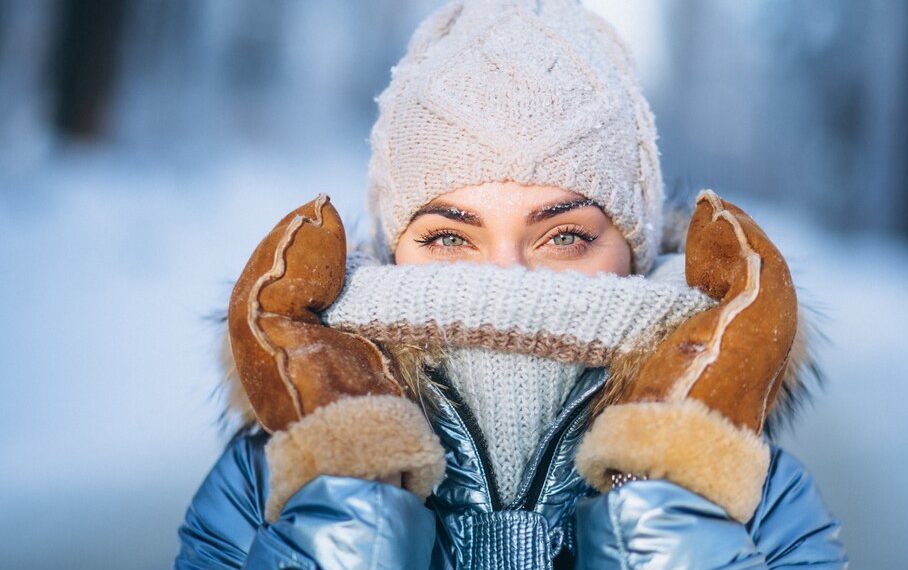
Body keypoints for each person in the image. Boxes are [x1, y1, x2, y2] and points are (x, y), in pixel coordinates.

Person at [175, 1, 847, 568]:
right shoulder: (269, 481)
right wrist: (348, 494)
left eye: (564, 237)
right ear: (393, 248)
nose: (505, 282)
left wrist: (671, 499)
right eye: (448, 237)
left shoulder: (750, 493)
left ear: (635, 252)